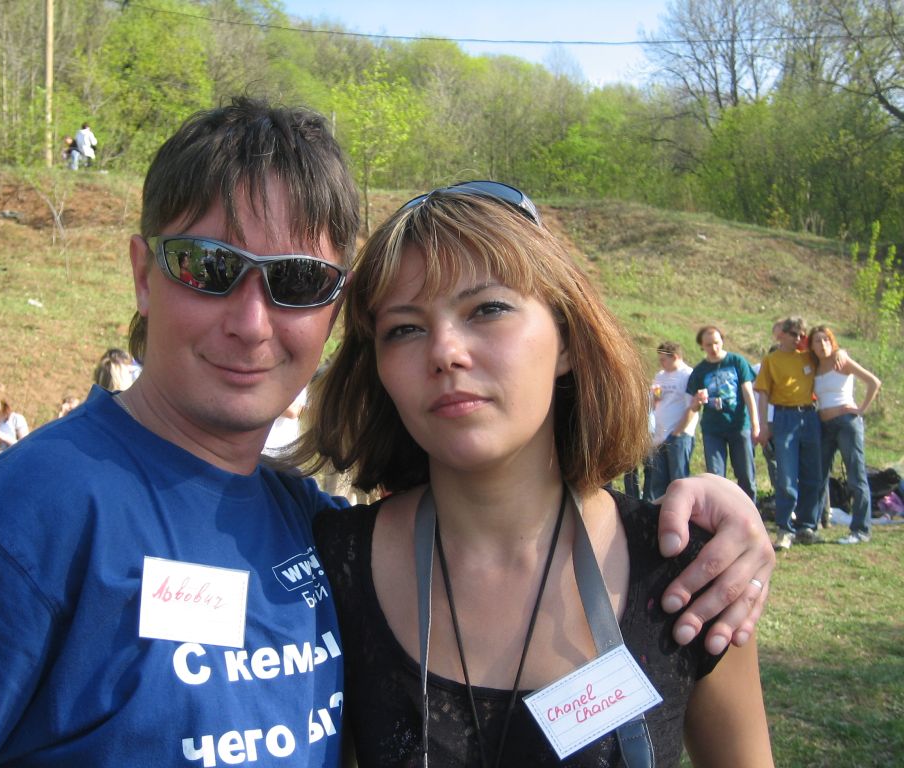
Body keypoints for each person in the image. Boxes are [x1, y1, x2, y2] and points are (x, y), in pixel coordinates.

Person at [0, 100, 772, 767]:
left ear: (333, 313)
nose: (251, 322)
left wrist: (721, 510)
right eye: (209, 267)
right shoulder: (12, 528)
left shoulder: (311, 532)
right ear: (144, 274)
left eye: (298, 281)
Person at [302, 183, 774, 767]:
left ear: (567, 341)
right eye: (404, 328)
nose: (445, 351)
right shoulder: (331, 567)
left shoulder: (694, 571)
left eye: (488, 309)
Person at [754, 317, 823, 550]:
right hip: (784, 417)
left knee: (812, 474)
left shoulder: (808, 357)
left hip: (810, 416)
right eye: (794, 334)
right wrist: (763, 425)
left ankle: (807, 526)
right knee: (786, 476)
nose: (798, 339)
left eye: (802, 335)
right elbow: (763, 394)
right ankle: (785, 528)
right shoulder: (771, 360)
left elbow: (829, 354)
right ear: (781, 334)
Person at [809, 325, 882, 545]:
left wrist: (860, 409)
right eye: (817, 341)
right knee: (819, 475)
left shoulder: (841, 361)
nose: (822, 344)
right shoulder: (814, 366)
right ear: (811, 345)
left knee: (855, 476)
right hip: (824, 425)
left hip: (846, 423)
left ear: (832, 342)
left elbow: (873, 382)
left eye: (826, 340)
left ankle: (860, 530)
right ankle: (812, 526)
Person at [686, 326, 760, 502]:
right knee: (716, 478)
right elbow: (694, 407)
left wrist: (755, 424)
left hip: (739, 425)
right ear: (701, 346)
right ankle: (720, 513)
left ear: (722, 341)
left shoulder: (737, 362)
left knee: (746, 475)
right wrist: (697, 401)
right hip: (713, 429)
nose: (713, 348)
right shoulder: (700, 370)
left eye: (716, 343)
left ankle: (750, 512)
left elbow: (748, 394)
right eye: (708, 344)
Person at [648, 342, 698, 501]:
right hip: (659, 435)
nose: (661, 363)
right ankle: (658, 513)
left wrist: (678, 432)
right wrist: (655, 397)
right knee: (658, 481)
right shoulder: (660, 376)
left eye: (663, 359)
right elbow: (654, 402)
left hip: (678, 434)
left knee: (678, 480)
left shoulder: (688, 375)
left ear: (675, 357)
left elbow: (692, 406)